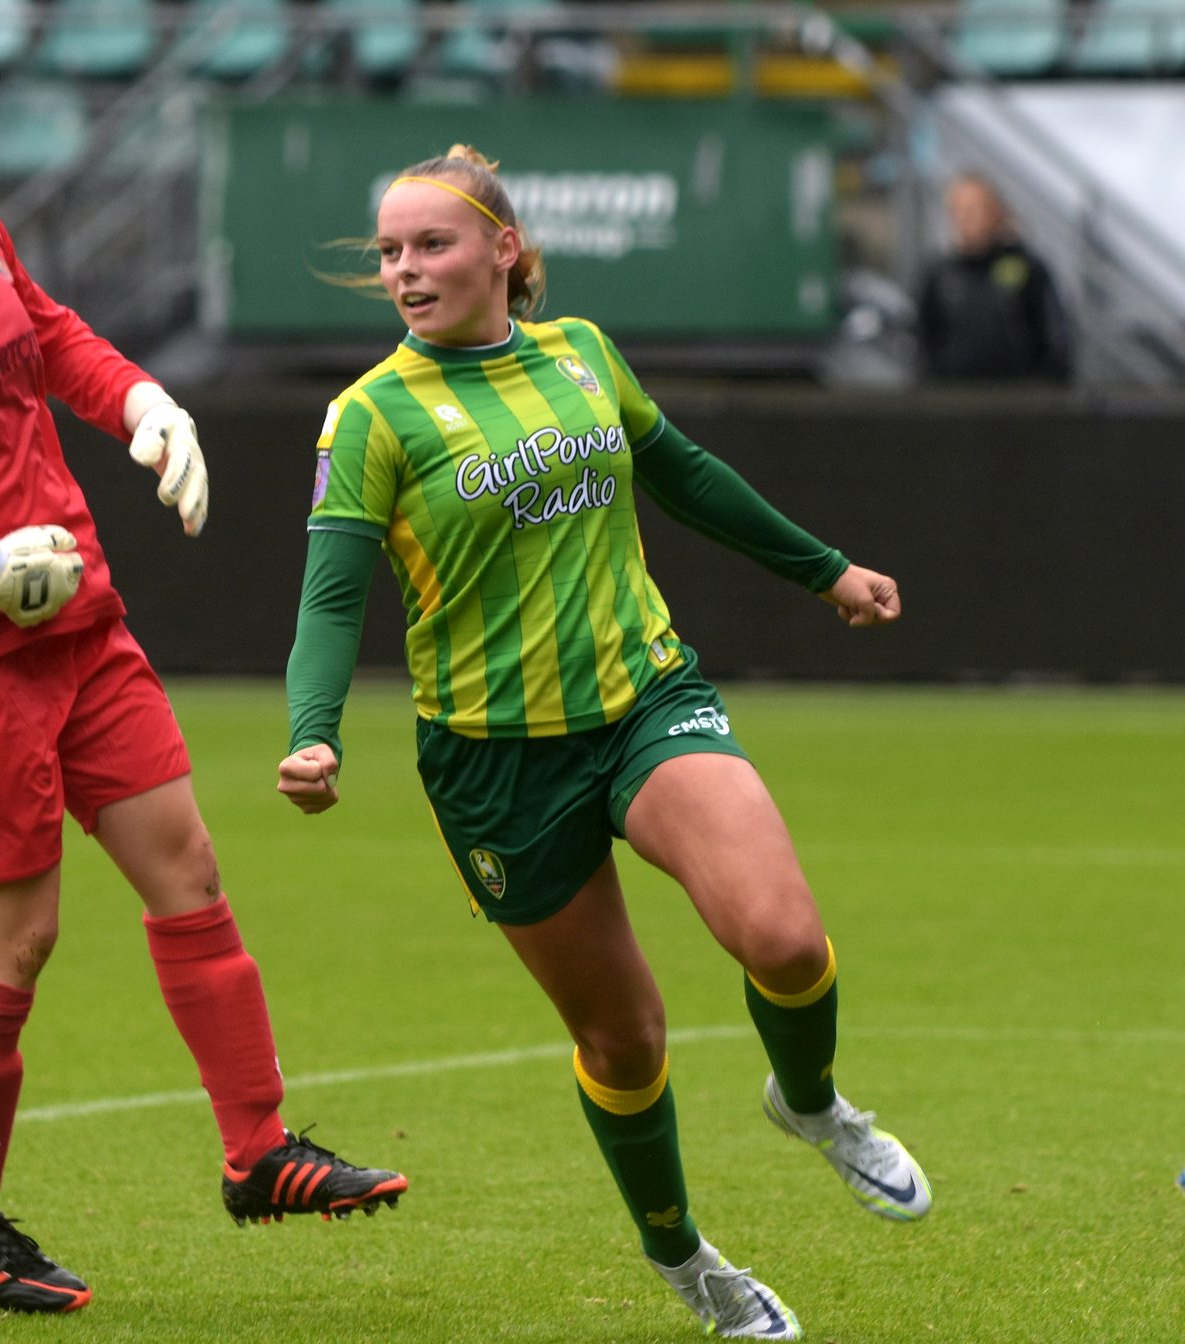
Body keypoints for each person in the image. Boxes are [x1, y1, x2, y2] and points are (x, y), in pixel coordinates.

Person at [0, 16, 405, 1317]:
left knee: (188, 867)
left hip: (78, 622)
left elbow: (51, 337)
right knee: (19, 933)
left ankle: (260, 1152)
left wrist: (141, 403)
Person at [277, 146, 931, 1341]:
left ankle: (816, 1105)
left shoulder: (582, 352)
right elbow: (331, 598)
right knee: (623, 1035)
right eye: (388, 252)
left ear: (503, 250)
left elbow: (679, 472)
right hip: (495, 761)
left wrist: (825, 569)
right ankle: (689, 1264)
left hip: (643, 701)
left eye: (431, 244)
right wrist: (312, 738)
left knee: (784, 938)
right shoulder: (369, 414)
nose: (405, 271)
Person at [917, 172, 1071, 381]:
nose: (970, 218)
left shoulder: (1027, 267)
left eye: (978, 208)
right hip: (955, 401)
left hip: (1017, 401)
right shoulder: (939, 275)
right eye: (961, 210)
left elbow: (1054, 337)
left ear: (997, 212)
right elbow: (925, 342)